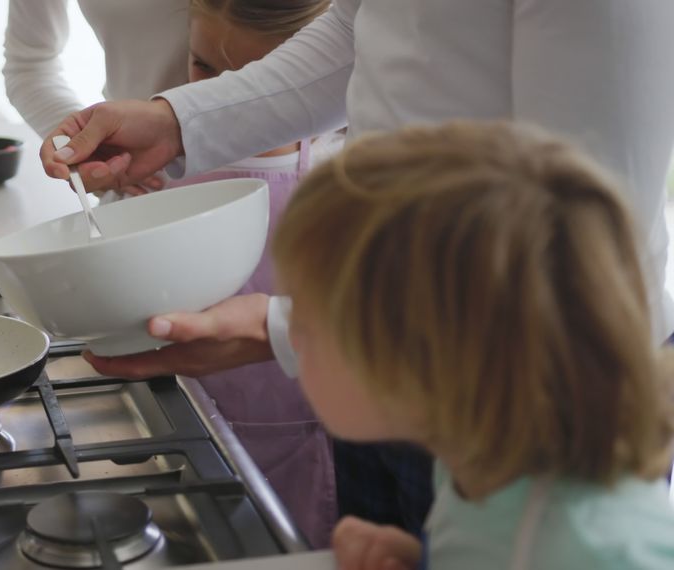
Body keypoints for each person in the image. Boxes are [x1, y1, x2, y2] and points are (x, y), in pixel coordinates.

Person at [39, 0, 674, 538]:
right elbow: (360, 24)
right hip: (395, 353)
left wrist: (296, 330)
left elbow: (589, 234)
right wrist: (181, 119)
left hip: (522, 387)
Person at [277, 121, 674, 569]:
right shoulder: (472, 462)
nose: (290, 336)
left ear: (418, 365)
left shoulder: (598, 549)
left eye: (307, 324)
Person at [162, 0, 341, 547]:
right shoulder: (163, 178)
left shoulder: (344, 179)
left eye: (258, 85)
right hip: (192, 435)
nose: (222, 102)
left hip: (314, 448)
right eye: (204, 70)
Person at [4, 0, 186, 195]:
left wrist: (178, 120)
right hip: (134, 198)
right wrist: (89, 145)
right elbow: (29, 67)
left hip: (220, 195)